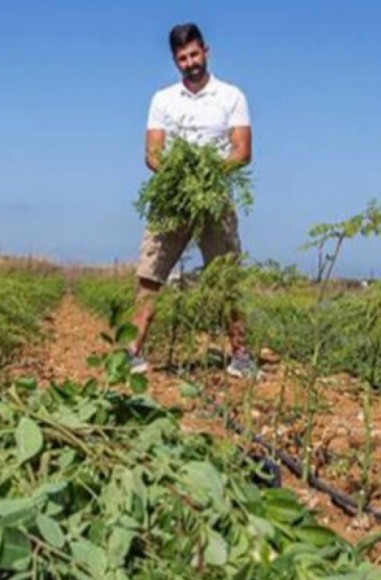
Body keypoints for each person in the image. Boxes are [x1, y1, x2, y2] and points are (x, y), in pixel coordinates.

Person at [128, 22, 257, 379]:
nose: (190, 62)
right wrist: (180, 179)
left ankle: (242, 356)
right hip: (172, 199)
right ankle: (130, 352)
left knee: (225, 278)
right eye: (182, 58)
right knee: (150, 274)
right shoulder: (163, 100)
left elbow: (242, 152)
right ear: (175, 60)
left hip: (214, 197)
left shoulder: (232, 96)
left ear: (206, 52)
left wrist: (206, 173)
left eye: (194, 54)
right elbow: (153, 154)